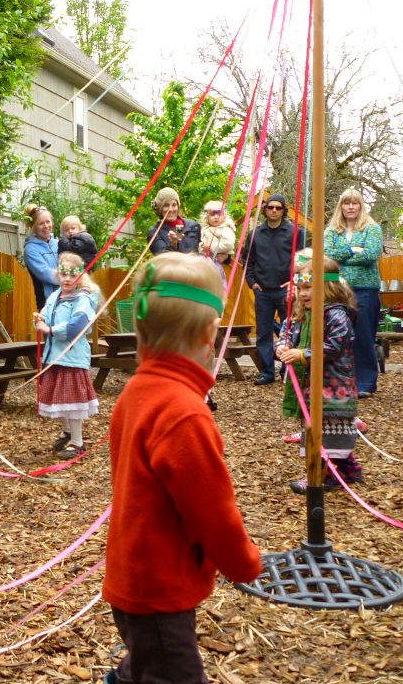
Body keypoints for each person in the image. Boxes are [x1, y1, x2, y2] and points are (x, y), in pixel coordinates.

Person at [103, 252, 261, 684]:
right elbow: (211, 511)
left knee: (145, 662)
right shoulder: (184, 413)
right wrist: (245, 564)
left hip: (133, 572)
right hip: (159, 587)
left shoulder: (138, 389)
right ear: (211, 333)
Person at [275, 257, 363, 493]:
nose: (303, 294)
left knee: (327, 433)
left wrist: (302, 354)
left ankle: (322, 476)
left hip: (333, 386)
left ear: (328, 287)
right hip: (310, 386)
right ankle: (348, 470)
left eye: (309, 288)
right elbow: (286, 333)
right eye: (300, 288)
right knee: (316, 429)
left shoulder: (336, 315)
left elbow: (335, 347)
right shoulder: (301, 313)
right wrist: (282, 347)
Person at [34, 251, 100, 460]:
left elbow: (76, 327)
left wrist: (49, 329)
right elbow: (45, 315)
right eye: (63, 274)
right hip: (55, 356)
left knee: (72, 403)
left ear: (80, 276)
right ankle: (67, 432)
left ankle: (78, 443)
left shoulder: (83, 299)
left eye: (72, 275)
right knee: (58, 399)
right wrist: (39, 319)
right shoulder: (55, 296)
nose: (67, 279)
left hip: (71, 358)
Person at [241, 193, 306, 386]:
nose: (274, 210)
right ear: (265, 210)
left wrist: (295, 282)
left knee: (292, 331)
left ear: (284, 210)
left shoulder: (295, 232)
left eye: (278, 207)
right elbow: (248, 261)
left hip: (287, 290)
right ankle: (267, 372)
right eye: (271, 207)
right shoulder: (255, 234)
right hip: (263, 290)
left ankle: (288, 370)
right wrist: (252, 283)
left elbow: (303, 260)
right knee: (263, 332)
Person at [324, 189, 383, 398]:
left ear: (361, 206)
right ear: (341, 206)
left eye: (354, 203)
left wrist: (343, 259)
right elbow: (328, 256)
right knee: (338, 338)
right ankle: (343, 382)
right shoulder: (332, 230)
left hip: (365, 291)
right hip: (337, 291)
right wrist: (352, 250)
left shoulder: (372, 229)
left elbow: (371, 254)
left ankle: (366, 382)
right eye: (346, 203)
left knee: (363, 337)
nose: (350, 207)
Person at [23, 204, 59, 310]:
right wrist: (68, 278)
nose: (46, 226)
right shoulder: (31, 249)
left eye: (48, 222)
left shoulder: (58, 244)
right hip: (47, 302)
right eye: (41, 224)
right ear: (33, 227)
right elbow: (45, 273)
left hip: (65, 298)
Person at [147, 187, 201, 256]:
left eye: (174, 205)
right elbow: (165, 259)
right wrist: (174, 245)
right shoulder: (154, 233)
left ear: (178, 206)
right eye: (166, 205)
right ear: (160, 209)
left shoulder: (193, 226)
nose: (171, 209)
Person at [198, 200, 237, 281]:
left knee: (218, 283)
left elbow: (228, 244)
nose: (216, 217)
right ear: (207, 217)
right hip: (204, 261)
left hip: (218, 262)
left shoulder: (226, 229)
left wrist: (210, 246)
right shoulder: (205, 229)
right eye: (212, 215)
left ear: (224, 217)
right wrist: (201, 246)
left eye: (219, 214)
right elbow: (201, 242)